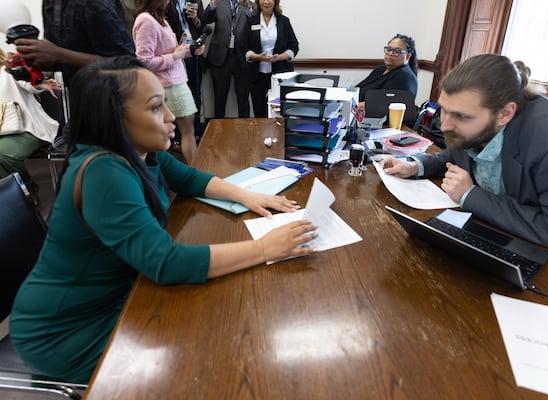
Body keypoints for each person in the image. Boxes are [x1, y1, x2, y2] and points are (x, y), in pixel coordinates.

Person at [9, 55, 318, 383]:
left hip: (114, 298)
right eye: (156, 107)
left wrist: (248, 196)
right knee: (201, 353)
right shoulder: (104, 173)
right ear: (115, 118)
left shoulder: (140, 151)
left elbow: (189, 179)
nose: (171, 116)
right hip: (65, 330)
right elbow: (167, 263)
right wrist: (265, 249)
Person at [381, 54, 548, 253]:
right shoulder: (473, 120)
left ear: (505, 114)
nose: (445, 125)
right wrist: (415, 165)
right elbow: (459, 151)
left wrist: (470, 195)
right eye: (444, 110)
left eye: (461, 116)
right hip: (494, 235)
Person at [133, 0, 204, 164]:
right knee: (183, 132)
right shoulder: (145, 20)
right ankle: (194, 177)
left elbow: (172, 50)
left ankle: (193, 175)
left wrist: (190, 50)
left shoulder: (160, 18)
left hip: (175, 81)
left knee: (188, 131)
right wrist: (174, 57)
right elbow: (144, 61)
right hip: (168, 84)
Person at [14, 0, 134, 87]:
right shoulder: (50, 3)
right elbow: (67, 58)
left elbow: (128, 65)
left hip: (113, 107)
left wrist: (58, 54)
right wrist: (34, 63)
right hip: (80, 103)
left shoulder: (94, 4)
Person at [0, 50, 62, 199]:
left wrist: (41, 83)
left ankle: (26, 189)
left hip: (29, 130)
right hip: (3, 133)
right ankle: (9, 198)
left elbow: (31, 84)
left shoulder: (9, 71)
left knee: (2, 154)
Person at [238, 0, 299, 118]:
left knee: (278, 113)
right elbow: (243, 47)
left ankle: (278, 136)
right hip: (257, 76)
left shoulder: (284, 21)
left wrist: (280, 57)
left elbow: (294, 46)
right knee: (259, 112)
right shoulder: (251, 21)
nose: (266, 2)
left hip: (280, 75)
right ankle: (261, 137)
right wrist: (257, 57)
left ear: (275, 2)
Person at [201, 0, 253, 118]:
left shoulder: (250, 5)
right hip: (221, 56)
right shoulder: (218, 2)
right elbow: (204, 21)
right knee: (219, 97)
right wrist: (213, 5)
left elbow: (255, 26)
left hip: (242, 57)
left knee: (243, 97)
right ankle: (218, 131)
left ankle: (245, 130)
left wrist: (248, 9)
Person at [166, 0, 206, 149]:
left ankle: (195, 133)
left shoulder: (196, 1)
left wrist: (195, 18)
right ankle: (176, 137)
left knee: (194, 93)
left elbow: (202, 26)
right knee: (176, 95)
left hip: (193, 51)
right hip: (174, 52)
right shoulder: (166, 3)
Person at [356, 34, 418, 103]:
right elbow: (357, 89)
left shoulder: (404, 77)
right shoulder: (380, 69)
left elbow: (380, 104)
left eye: (397, 51)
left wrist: (352, 106)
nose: (390, 53)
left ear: (407, 57)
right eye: (389, 49)